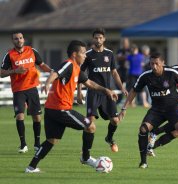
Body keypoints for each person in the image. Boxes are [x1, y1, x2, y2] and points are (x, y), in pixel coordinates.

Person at [25, 40, 118, 173]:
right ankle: (86, 158)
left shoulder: (77, 69)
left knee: (51, 140)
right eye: (82, 53)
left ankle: (31, 167)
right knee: (90, 126)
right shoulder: (69, 64)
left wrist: (106, 90)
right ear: (75, 54)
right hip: (61, 109)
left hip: (51, 109)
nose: (85, 56)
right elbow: (56, 73)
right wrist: (47, 83)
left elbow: (90, 83)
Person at [119, 52, 178, 170]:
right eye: (151, 64)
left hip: (174, 107)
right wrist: (124, 108)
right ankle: (143, 162)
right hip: (157, 109)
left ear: (162, 63)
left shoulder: (172, 73)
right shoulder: (146, 76)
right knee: (143, 129)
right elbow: (133, 90)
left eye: (156, 64)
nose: (154, 66)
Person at [0, 31, 53, 153]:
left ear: (23, 39)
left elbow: (42, 65)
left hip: (32, 88)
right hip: (19, 90)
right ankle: (23, 144)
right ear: (12, 41)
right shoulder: (9, 55)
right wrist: (15, 71)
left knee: (37, 117)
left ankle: (37, 144)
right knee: (20, 116)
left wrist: (52, 71)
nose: (19, 40)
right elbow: (2, 73)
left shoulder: (32, 51)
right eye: (16, 39)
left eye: (20, 38)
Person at [77, 28, 128, 153]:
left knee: (115, 121)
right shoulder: (88, 55)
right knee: (89, 122)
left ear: (104, 39)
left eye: (100, 37)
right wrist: (79, 92)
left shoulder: (109, 54)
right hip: (93, 92)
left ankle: (109, 138)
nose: (98, 40)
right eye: (96, 37)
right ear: (93, 39)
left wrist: (121, 87)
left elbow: (114, 73)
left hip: (107, 93)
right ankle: (86, 149)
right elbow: (80, 74)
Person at [116, 37, 131, 104]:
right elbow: (118, 57)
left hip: (129, 70)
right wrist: (127, 57)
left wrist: (125, 57)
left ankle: (130, 101)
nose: (125, 44)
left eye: (126, 42)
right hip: (121, 70)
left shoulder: (130, 50)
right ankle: (119, 100)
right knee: (119, 85)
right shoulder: (120, 50)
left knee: (129, 85)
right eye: (124, 42)